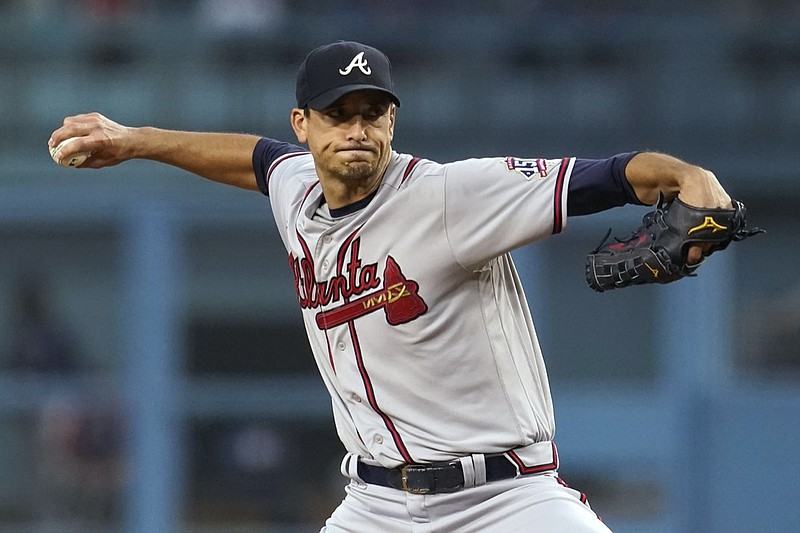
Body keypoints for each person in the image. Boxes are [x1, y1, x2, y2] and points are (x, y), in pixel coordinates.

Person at [48, 40, 733, 532]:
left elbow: (610, 175)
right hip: (375, 505)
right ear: (304, 125)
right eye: (338, 112)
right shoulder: (297, 187)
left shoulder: (447, 194)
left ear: (392, 121)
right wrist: (135, 139)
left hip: (506, 500)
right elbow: (253, 159)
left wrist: (689, 177)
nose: (356, 129)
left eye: (372, 112)